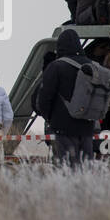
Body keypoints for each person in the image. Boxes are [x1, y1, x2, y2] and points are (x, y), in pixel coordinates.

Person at [35, 29, 98, 167]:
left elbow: (44, 99)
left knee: (67, 169)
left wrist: (51, 119)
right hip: (87, 128)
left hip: (63, 129)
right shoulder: (93, 66)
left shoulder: (56, 67)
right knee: (86, 170)